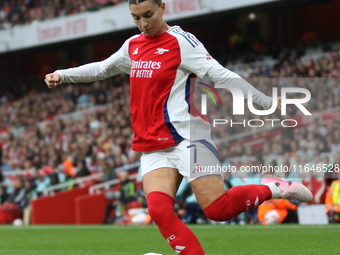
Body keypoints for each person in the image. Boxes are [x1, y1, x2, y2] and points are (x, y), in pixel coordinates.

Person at [45, 0, 313, 254]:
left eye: (148, 15)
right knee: (160, 212)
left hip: (187, 138)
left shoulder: (182, 42)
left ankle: (275, 188)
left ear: (163, 8)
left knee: (217, 210)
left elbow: (221, 75)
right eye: (136, 18)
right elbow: (103, 68)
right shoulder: (133, 45)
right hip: (152, 145)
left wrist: (265, 101)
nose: (143, 24)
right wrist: (63, 75)